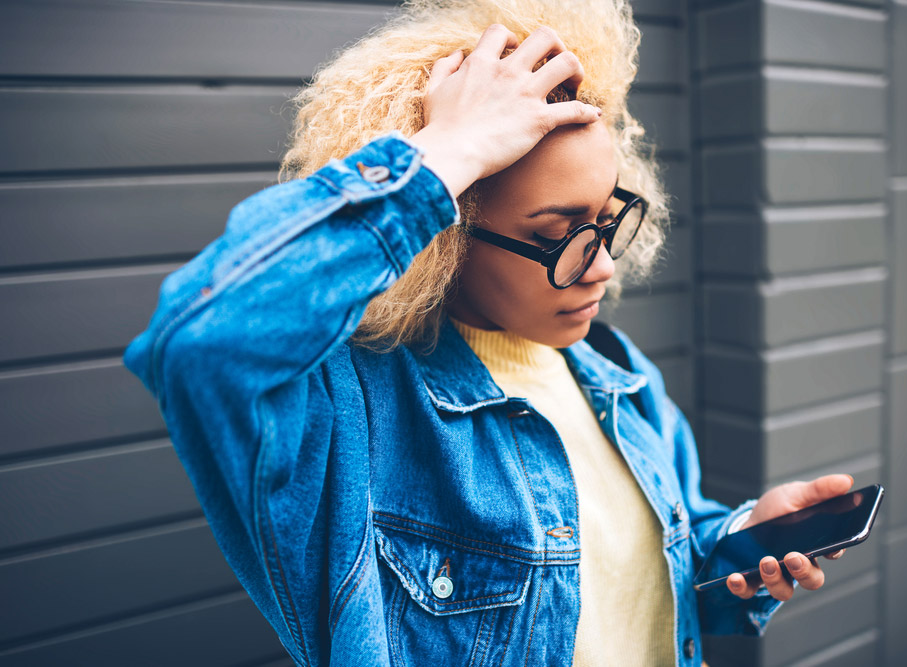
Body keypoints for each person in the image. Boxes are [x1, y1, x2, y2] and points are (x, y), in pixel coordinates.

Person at [125, 1, 852, 665]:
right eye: (560, 233)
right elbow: (202, 341)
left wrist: (742, 541)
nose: (600, 265)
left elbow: (651, 578)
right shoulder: (355, 415)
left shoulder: (615, 373)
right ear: (448, 234)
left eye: (606, 217)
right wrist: (446, 152)